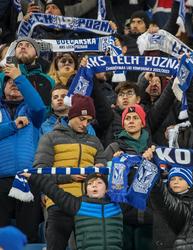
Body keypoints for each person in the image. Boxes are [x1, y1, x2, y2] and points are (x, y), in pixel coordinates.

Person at [34, 94, 106, 250]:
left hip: (88, 203)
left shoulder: (95, 141)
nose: (85, 124)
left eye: (89, 120)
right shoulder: (50, 138)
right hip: (58, 202)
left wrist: (100, 170)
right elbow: (40, 172)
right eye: (82, 119)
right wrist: (68, 177)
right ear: (71, 114)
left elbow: (104, 167)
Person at [0, 63, 46, 242]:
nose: (13, 84)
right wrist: (12, 126)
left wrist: (20, 77)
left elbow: (39, 107)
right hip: (0, 180)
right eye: (9, 81)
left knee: (28, 233)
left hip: (28, 179)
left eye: (17, 82)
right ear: (2, 87)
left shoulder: (32, 112)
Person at [23, 172, 123, 250]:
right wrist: (32, 176)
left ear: (107, 190)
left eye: (99, 183)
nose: (94, 185)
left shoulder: (118, 206)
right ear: (86, 190)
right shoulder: (78, 205)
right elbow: (54, 191)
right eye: (90, 183)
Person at [103, 104, 153, 250]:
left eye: (135, 118)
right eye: (128, 118)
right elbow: (100, 176)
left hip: (148, 214)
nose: (131, 121)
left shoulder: (153, 149)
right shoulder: (114, 148)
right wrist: (112, 164)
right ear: (123, 123)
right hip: (121, 215)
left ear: (142, 122)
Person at [0, 37, 54, 107]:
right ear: (15, 53)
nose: (23, 47)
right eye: (19, 45)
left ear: (37, 55)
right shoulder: (3, 76)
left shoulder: (49, 80)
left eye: (28, 45)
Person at [151, 167, 193, 250]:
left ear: (189, 183)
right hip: (160, 245)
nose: (176, 182)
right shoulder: (161, 198)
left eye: (181, 179)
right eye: (172, 179)